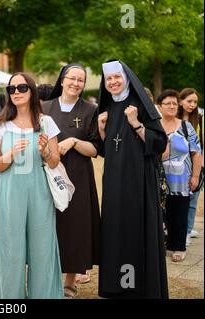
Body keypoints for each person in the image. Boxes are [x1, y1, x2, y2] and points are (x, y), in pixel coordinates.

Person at [97, 60, 168, 298]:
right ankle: (117, 287)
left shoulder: (140, 105)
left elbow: (159, 144)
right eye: (109, 79)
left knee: (137, 230)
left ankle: (139, 288)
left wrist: (136, 123)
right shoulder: (106, 109)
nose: (113, 82)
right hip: (114, 183)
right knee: (116, 231)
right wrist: (102, 130)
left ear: (126, 78)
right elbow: (107, 149)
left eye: (117, 77)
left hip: (139, 181)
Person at [0, 72, 64, 299]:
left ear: (31, 90)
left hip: (40, 193)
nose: (16, 93)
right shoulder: (0, 126)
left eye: (21, 88)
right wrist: (10, 154)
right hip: (10, 194)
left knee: (42, 249)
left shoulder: (46, 122)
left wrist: (45, 152)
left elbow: (54, 162)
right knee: (10, 250)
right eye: (11, 89)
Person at [42, 63, 100, 299]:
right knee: (49, 226)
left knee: (75, 226)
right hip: (48, 173)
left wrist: (74, 142)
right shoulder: (44, 107)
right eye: (72, 78)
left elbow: (96, 149)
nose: (76, 83)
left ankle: (70, 281)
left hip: (78, 174)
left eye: (81, 80)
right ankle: (48, 276)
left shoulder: (90, 110)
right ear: (62, 80)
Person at [159, 89, 202, 262]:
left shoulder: (186, 126)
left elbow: (196, 153)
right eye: (167, 103)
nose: (171, 106)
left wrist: (195, 176)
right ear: (159, 106)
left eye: (174, 103)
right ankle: (160, 245)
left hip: (181, 180)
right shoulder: (153, 125)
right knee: (159, 214)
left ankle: (178, 246)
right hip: (158, 179)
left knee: (179, 212)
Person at [177, 88, 203, 245]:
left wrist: (198, 170)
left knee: (192, 200)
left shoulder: (200, 120)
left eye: (195, 102)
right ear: (180, 101)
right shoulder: (173, 118)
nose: (192, 105)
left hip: (196, 164)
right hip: (177, 165)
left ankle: (187, 231)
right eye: (189, 101)